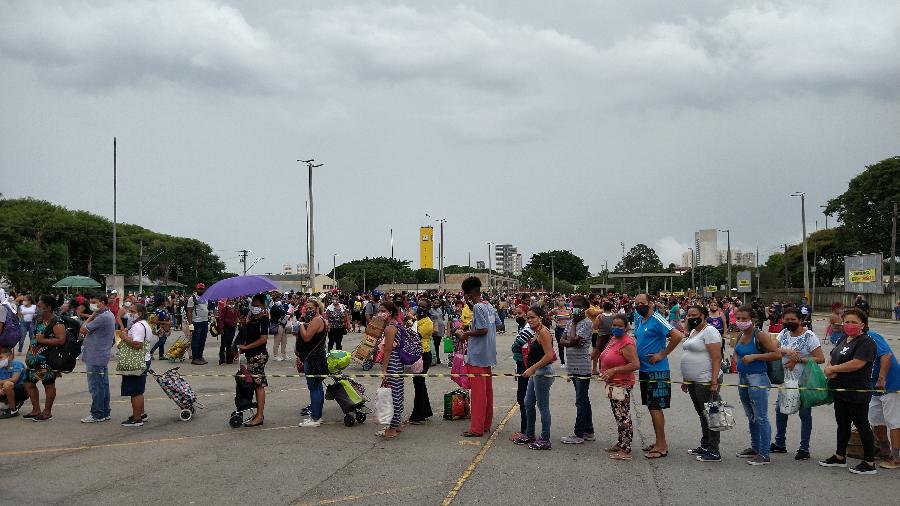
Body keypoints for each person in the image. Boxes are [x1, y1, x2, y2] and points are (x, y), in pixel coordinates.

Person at [819, 308, 878, 475]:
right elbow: (833, 357)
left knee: (862, 425)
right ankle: (839, 456)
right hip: (840, 390)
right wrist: (829, 369)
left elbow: (857, 363)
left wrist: (835, 368)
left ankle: (869, 462)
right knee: (842, 424)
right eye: (847, 321)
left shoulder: (866, 342)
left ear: (862, 325)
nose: (849, 325)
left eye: (854, 322)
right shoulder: (844, 339)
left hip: (856, 390)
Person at [633, 293, 685, 459]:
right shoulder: (641, 321)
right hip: (645, 370)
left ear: (651, 303)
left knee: (656, 407)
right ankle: (658, 441)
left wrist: (662, 354)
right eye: (637, 303)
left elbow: (677, 336)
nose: (639, 305)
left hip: (657, 370)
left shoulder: (657, 318)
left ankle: (662, 445)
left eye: (643, 303)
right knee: (651, 406)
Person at [772, 308, 825, 460]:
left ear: (801, 320)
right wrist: (786, 350)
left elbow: (820, 358)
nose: (789, 322)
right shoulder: (783, 334)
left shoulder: (809, 336)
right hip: (787, 380)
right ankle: (780, 443)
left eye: (793, 320)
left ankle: (804, 448)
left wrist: (799, 359)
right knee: (780, 410)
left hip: (804, 380)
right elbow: (772, 347)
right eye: (786, 319)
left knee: (804, 413)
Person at [733, 305, 781, 465]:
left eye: (744, 319)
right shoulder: (741, 334)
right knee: (751, 415)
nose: (741, 322)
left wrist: (754, 357)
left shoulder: (759, 335)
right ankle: (755, 447)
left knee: (761, 416)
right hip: (743, 378)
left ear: (752, 320)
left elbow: (776, 354)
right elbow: (737, 351)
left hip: (757, 378)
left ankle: (764, 453)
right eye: (738, 318)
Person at [455, 277, 498, 438]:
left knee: (478, 394)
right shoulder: (489, 305)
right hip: (488, 354)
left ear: (468, 294)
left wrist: (465, 333)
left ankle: (476, 428)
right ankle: (486, 424)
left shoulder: (478, 307)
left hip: (478, 355)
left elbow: (482, 330)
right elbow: (497, 324)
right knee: (487, 392)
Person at [680, 305, 723, 462]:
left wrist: (713, 382)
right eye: (689, 315)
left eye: (695, 314)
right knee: (702, 414)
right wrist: (686, 379)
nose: (691, 317)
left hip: (706, 380)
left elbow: (716, 358)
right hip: (693, 380)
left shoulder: (710, 331)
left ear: (704, 316)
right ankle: (705, 445)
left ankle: (714, 450)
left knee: (711, 414)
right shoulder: (693, 331)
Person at [514, 306, 556, 450]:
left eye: (532, 317)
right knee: (528, 403)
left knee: (543, 406)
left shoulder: (544, 332)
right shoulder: (537, 332)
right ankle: (529, 433)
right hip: (536, 372)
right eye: (528, 318)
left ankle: (545, 438)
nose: (530, 320)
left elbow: (549, 356)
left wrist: (531, 368)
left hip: (542, 372)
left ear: (540, 318)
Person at [598, 314, 639, 460]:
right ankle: (621, 443)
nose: (615, 328)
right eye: (614, 325)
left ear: (626, 327)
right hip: (612, 384)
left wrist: (613, 370)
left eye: (619, 326)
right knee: (618, 415)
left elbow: (635, 364)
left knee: (624, 417)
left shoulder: (627, 342)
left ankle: (626, 449)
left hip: (622, 384)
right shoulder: (614, 339)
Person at [23, 295, 67, 421]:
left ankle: (47, 412)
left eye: (40, 305)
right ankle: (36, 410)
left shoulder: (57, 322)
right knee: (28, 383)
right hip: (34, 359)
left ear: (48, 307)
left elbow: (61, 340)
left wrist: (43, 340)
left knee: (48, 384)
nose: (37, 307)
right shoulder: (39, 320)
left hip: (47, 360)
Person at [560, 295, 594, 445]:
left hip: (582, 367)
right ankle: (589, 430)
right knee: (583, 399)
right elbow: (562, 341)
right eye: (573, 305)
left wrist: (573, 325)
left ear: (585, 308)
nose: (575, 308)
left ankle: (578, 433)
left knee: (580, 401)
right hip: (572, 365)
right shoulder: (570, 322)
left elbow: (574, 340)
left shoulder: (586, 323)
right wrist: (570, 340)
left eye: (578, 306)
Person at [79, 293, 116, 423]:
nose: (92, 304)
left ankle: (97, 413)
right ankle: (105, 411)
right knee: (103, 385)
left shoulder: (102, 317)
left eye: (94, 302)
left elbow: (83, 330)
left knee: (96, 386)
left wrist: (92, 316)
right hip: (101, 355)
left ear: (102, 302)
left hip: (95, 356)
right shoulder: (108, 315)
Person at [866, 329, 900, 469]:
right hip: (873, 386)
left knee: (893, 421)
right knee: (875, 419)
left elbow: (886, 356)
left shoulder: (872, 336)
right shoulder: (851, 339)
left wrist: (882, 378)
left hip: (889, 383)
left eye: (853, 322)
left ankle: (896, 457)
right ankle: (885, 450)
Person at [236, 294, 269, 427]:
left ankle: (260, 415)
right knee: (255, 385)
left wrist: (246, 347)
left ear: (263, 306)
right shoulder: (253, 319)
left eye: (257, 305)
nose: (254, 307)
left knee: (258, 385)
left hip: (258, 355)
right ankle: (258, 413)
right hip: (251, 355)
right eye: (253, 305)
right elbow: (247, 336)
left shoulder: (264, 320)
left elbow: (263, 339)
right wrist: (246, 322)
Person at [119, 304, 153, 427]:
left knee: (135, 391)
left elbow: (138, 344)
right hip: (143, 359)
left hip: (137, 360)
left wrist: (124, 338)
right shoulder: (143, 324)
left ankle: (137, 418)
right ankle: (141, 414)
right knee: (138, 390)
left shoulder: (138, 326)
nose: (129, 313)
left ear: (140, 313)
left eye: (132, 311)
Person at [297, 298, 328, 428]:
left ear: (317, 308)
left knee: (314, 387)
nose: (309, 310)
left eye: (311, 308)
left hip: (313, 358)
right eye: (307, 308)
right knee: (317, 387)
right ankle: (317, 415)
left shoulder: (316, 320)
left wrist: (301, 325)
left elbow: (307, 337)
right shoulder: (321, 320)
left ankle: (315, 417)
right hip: (318, 356)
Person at [376, 301, 404, 438]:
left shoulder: (390, 328)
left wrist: (384, 369)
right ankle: (397, 424)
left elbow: (387, 350)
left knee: (392, 396)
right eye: (379, 311)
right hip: (398, 363)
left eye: (383, 311)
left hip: (392, 363)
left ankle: (391, 429)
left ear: (391, 312)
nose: (380, 314)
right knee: (397, 393)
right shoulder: (395, 324)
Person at [509, 307, 535, 442]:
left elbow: (517, 345)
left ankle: (526, 431)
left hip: (525, 365)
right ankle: (525, 429)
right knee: (523, 397)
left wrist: (515, 346)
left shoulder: (527, 329)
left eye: (520, 313)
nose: (517, 316)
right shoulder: (523, 328)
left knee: (523, 397)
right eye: (516, 314)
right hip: (521, 363)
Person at [409, 306, 434, 424]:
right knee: (420, 383)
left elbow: (415, 336)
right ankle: (425, 411)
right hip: (419, 354)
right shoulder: (420, 321)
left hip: (423, 354)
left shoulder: (427, 323)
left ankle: (418, 415)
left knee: (418, 384)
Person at [186, 283, 210, 365]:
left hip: (205, 321)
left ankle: (200, 356)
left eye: (202, 289)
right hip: (197, 322)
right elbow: (189, 311)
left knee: (202, 340)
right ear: (196, 289)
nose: (201, 290)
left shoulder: (206, 298)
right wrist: (190, 324)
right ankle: (195, 358)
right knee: (196, 340)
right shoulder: (192, 298)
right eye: (199, 289)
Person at [0, 346, 26, 418]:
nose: (0, 360)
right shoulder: (1, 367)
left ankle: (12, 410)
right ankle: (6, 404)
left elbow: (14, 379)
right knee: (6, 385)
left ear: (10, 356)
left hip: (21, 389)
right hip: (6, 390)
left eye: (1, 357)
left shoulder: (16, 364)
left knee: (7, 384)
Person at [550, 297, 571, 366]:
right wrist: (554, 319)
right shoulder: (555, 310)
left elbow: (572, 318)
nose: (561, 302)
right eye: (559, 300)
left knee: (569, 346)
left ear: (565, 301)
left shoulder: (569, 309)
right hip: (559, 329)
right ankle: (562, 362)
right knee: (561, 345)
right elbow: (548, 315)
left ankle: (570, 361)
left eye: (562, 300)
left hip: (567, 330)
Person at [218, 299, 239, 365]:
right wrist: (221, 329)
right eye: (230, 301)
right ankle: (222, 360)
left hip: (232, 328)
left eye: (233, 301)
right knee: (223, 344)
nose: (231, 302)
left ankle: (229, 359)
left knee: (229, 345)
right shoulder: (225, 309)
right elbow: (221, 319)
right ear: (227, 302)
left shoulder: (236, 310)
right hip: (225, 328)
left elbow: (238, 317)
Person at [429, 297, 445, 366]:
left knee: (437, 344)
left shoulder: (440, 309)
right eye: (435, 303)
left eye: (437, 303)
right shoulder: (430, 310)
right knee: (434, 344)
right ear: (432, 303)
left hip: (440, 329)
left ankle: (437, 358)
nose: (436, 304)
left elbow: (441, 318)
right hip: (434, 329)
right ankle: (435, 358)